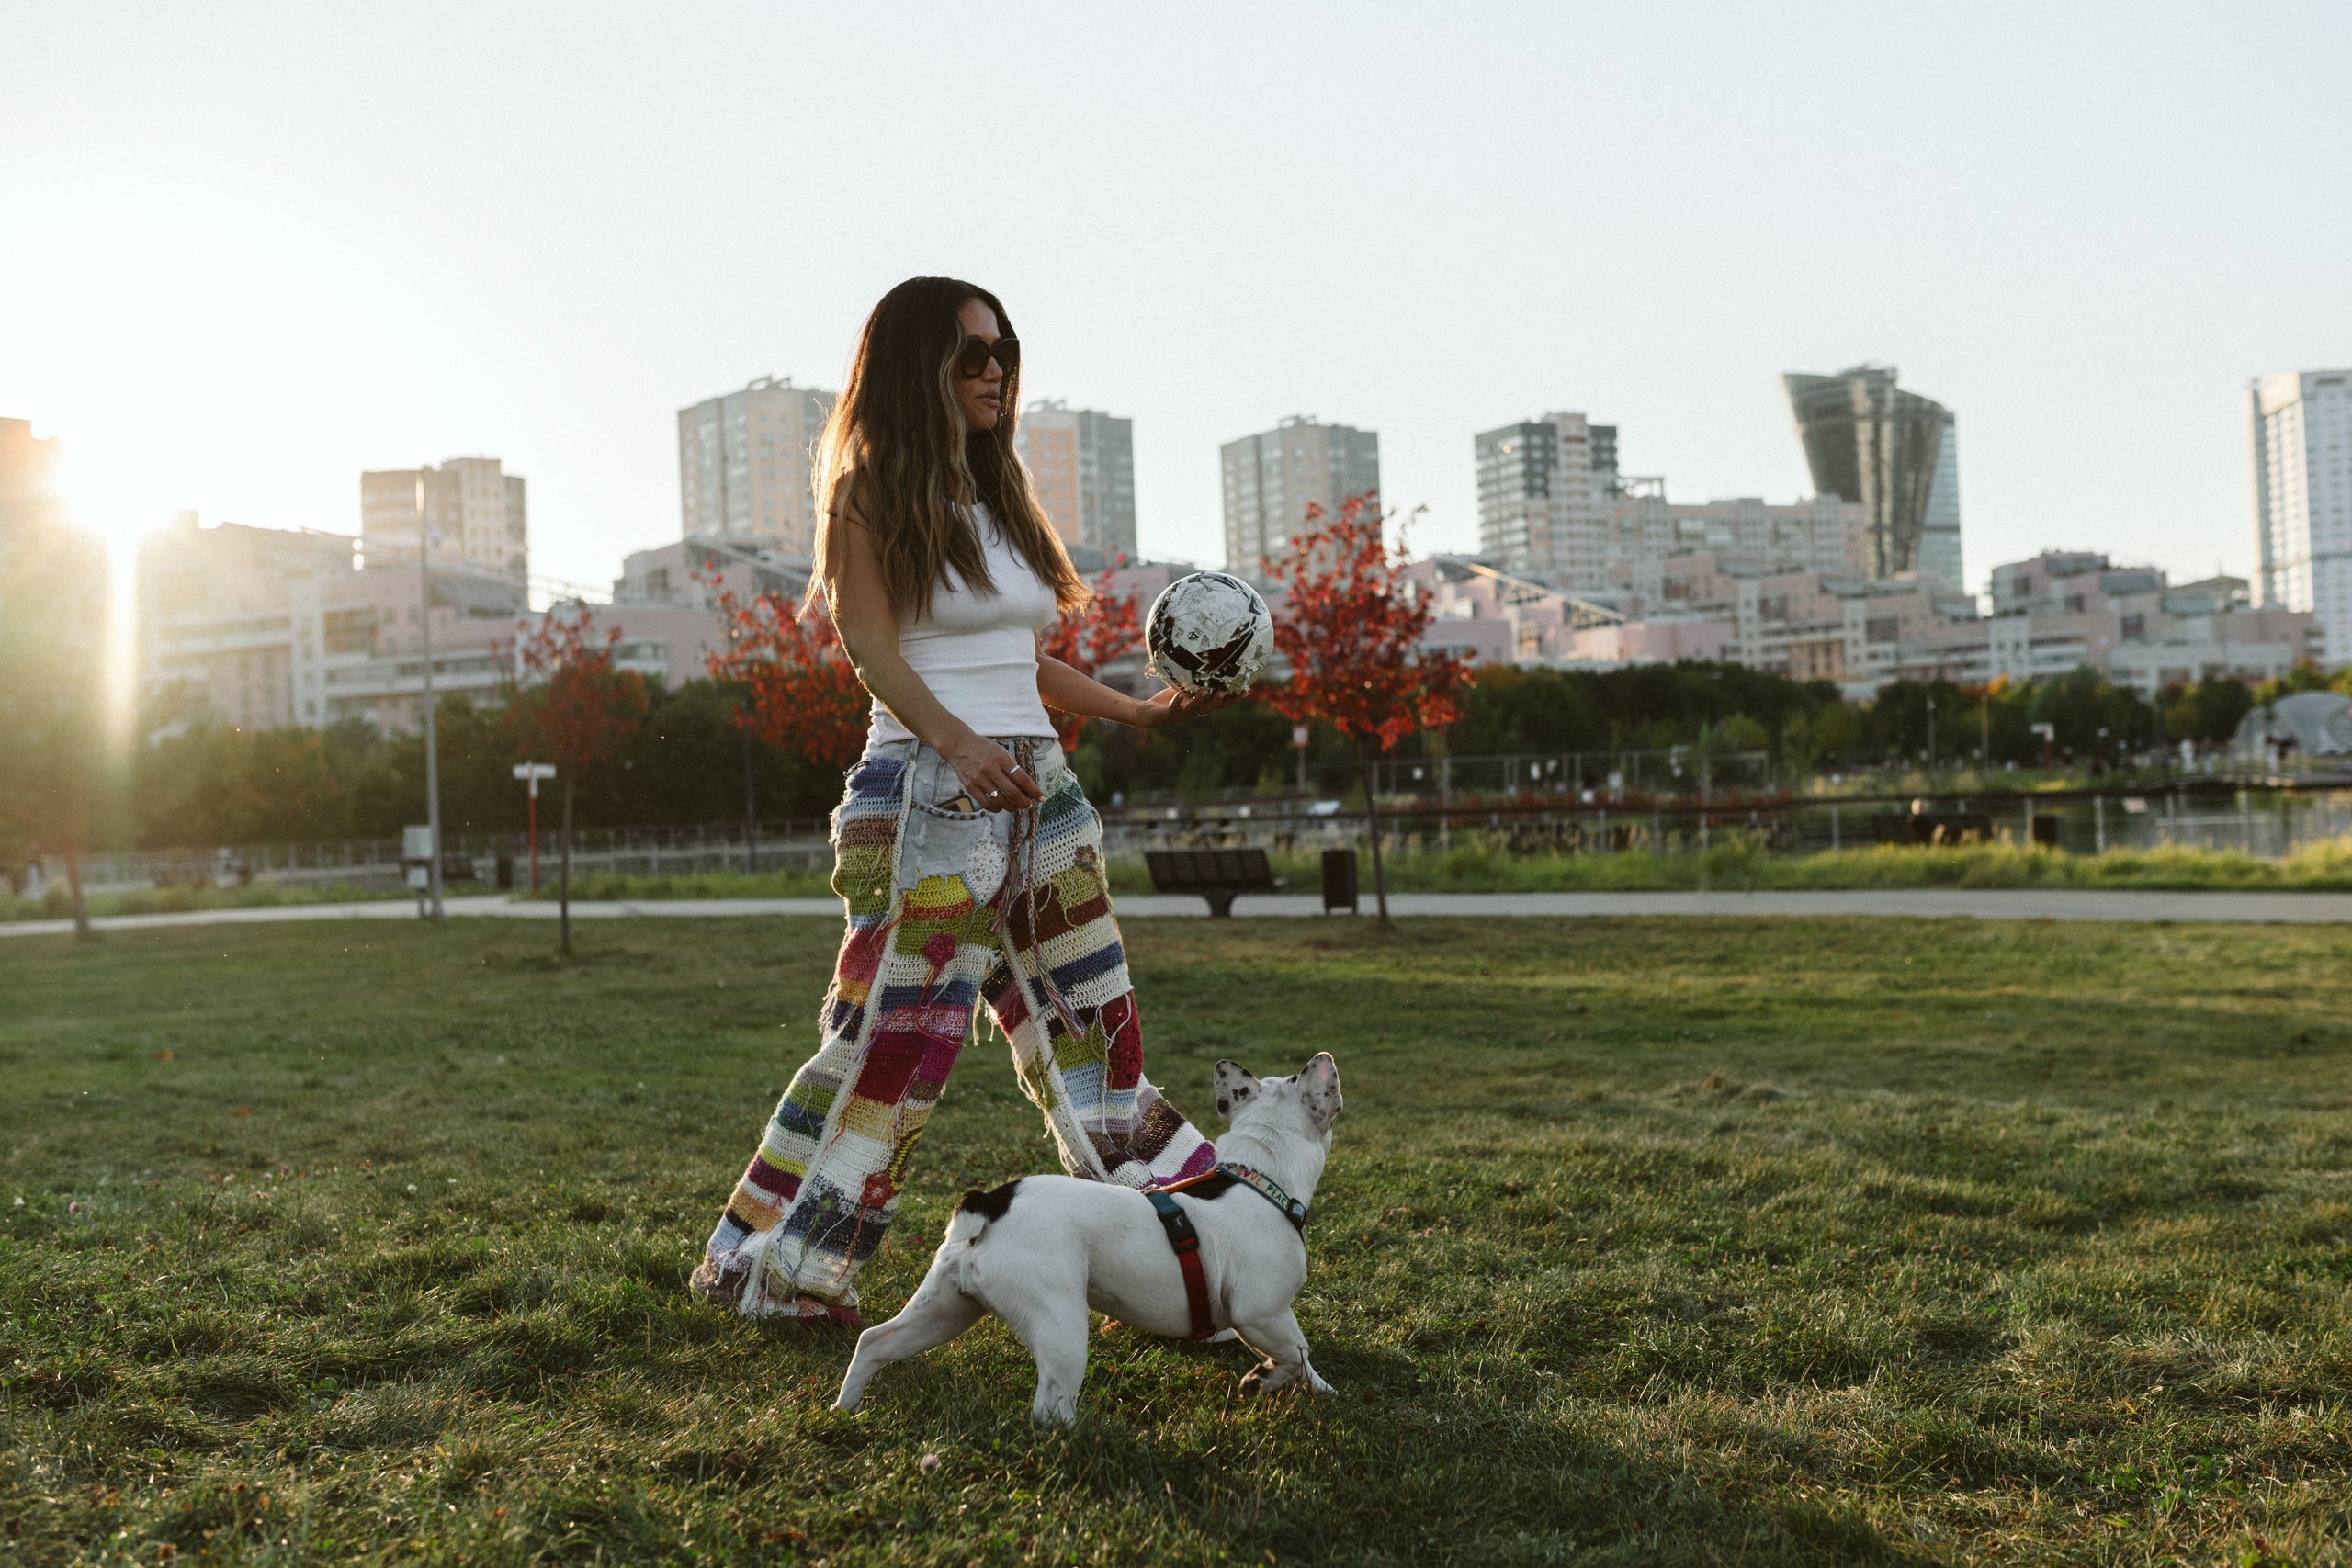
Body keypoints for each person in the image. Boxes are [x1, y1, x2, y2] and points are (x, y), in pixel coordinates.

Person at [692, 276, 1236, 1320]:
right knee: (893, 1043)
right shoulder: (867, 491)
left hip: (1039, 790)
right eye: (972, 354)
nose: (996, 372)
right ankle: (777, 1269)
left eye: (1004, 352)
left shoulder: (999, 493)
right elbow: (869, 645)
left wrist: (1137, 713)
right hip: (925, 794)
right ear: (917, 367)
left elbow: (1021, 658)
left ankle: (1194, 1251)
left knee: (1097, 1026)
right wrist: (957, 742)